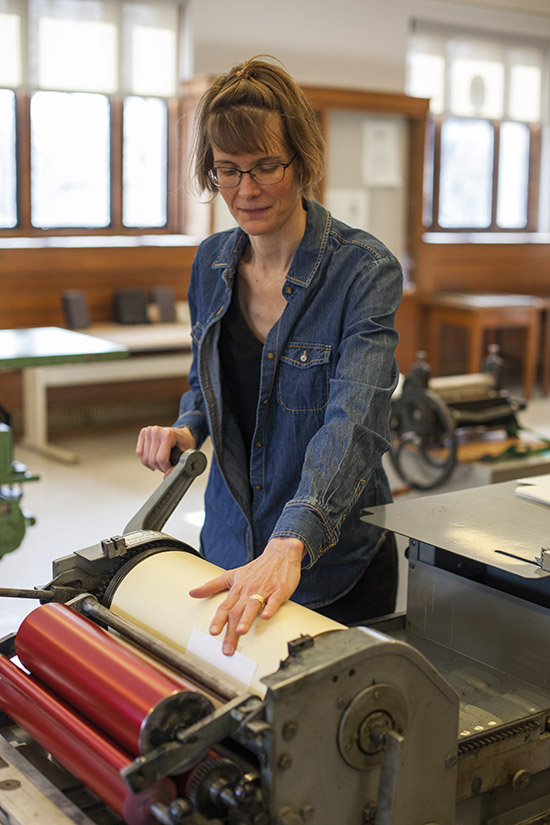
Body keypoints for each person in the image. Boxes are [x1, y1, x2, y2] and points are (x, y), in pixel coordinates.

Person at [136, 55, 402, 656]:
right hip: (231, 543)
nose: (246, 190)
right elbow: (207, 379)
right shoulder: (211, 262)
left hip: (331, 562)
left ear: (302, 161)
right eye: (228, 171)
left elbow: (355, 421)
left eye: (265, 168)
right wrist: (187, 427)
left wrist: (291, 542)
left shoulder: (364, 271)